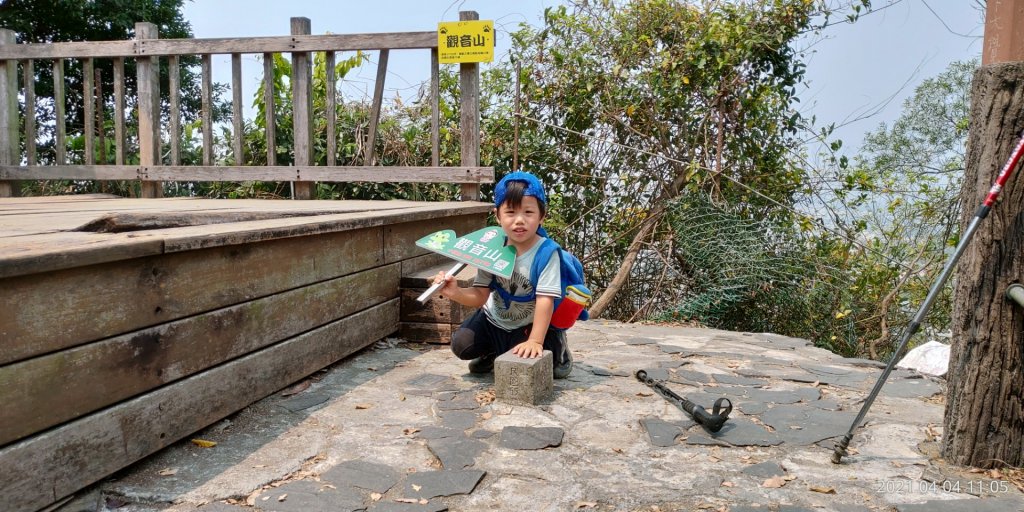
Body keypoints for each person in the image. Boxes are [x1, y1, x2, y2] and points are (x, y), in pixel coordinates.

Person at [432, 171, 573, 379]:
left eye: (528, 212)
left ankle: (558, 346)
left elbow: (545, 300)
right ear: (497, 215)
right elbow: (480, 295)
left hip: (528, 323)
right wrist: (455, 292)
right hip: (495, 319)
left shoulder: (546, 253)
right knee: (462, 345)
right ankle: (491, 352)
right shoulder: (492, 246)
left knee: (542, 367)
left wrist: (535, 340)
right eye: (510, 212)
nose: (519, 220)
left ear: (542, 215)